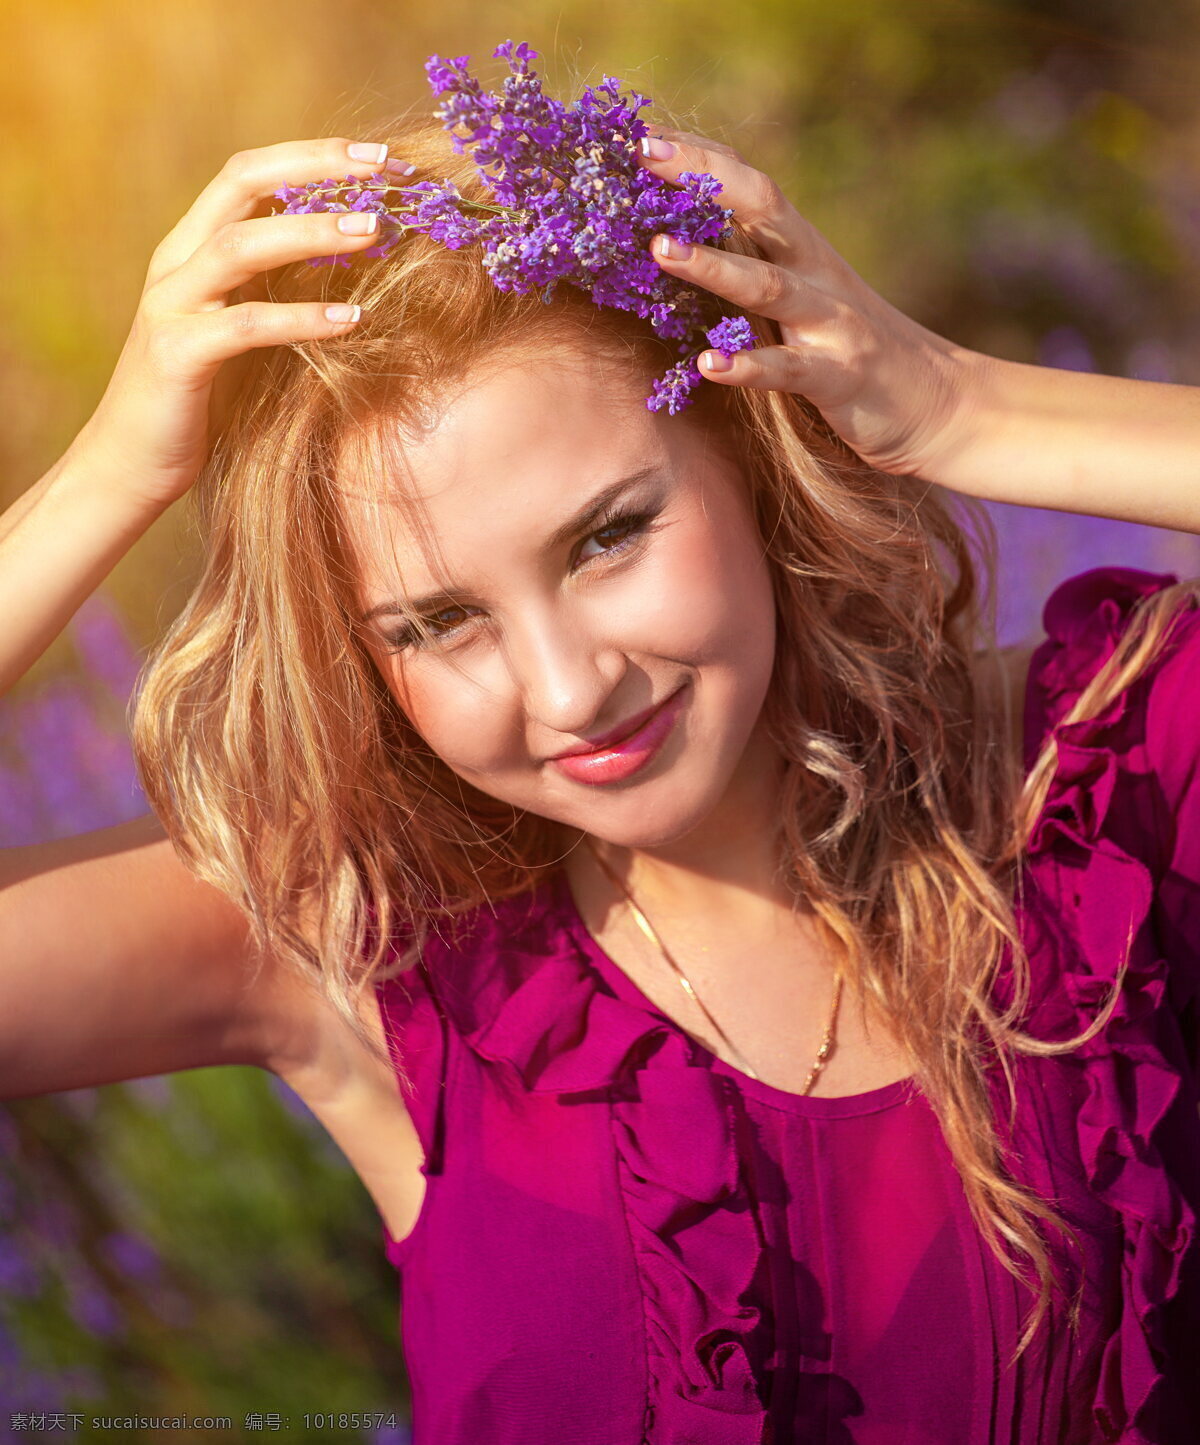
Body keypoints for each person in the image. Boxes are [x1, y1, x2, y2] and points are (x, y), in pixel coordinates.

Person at [2, 56, 1199, 1443]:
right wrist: (113, 471)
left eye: (609, 535)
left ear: (749, 454)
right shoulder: (363, 953)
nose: (569, 688)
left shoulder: (1091, 785)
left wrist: (955, 405)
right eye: (442, 620)